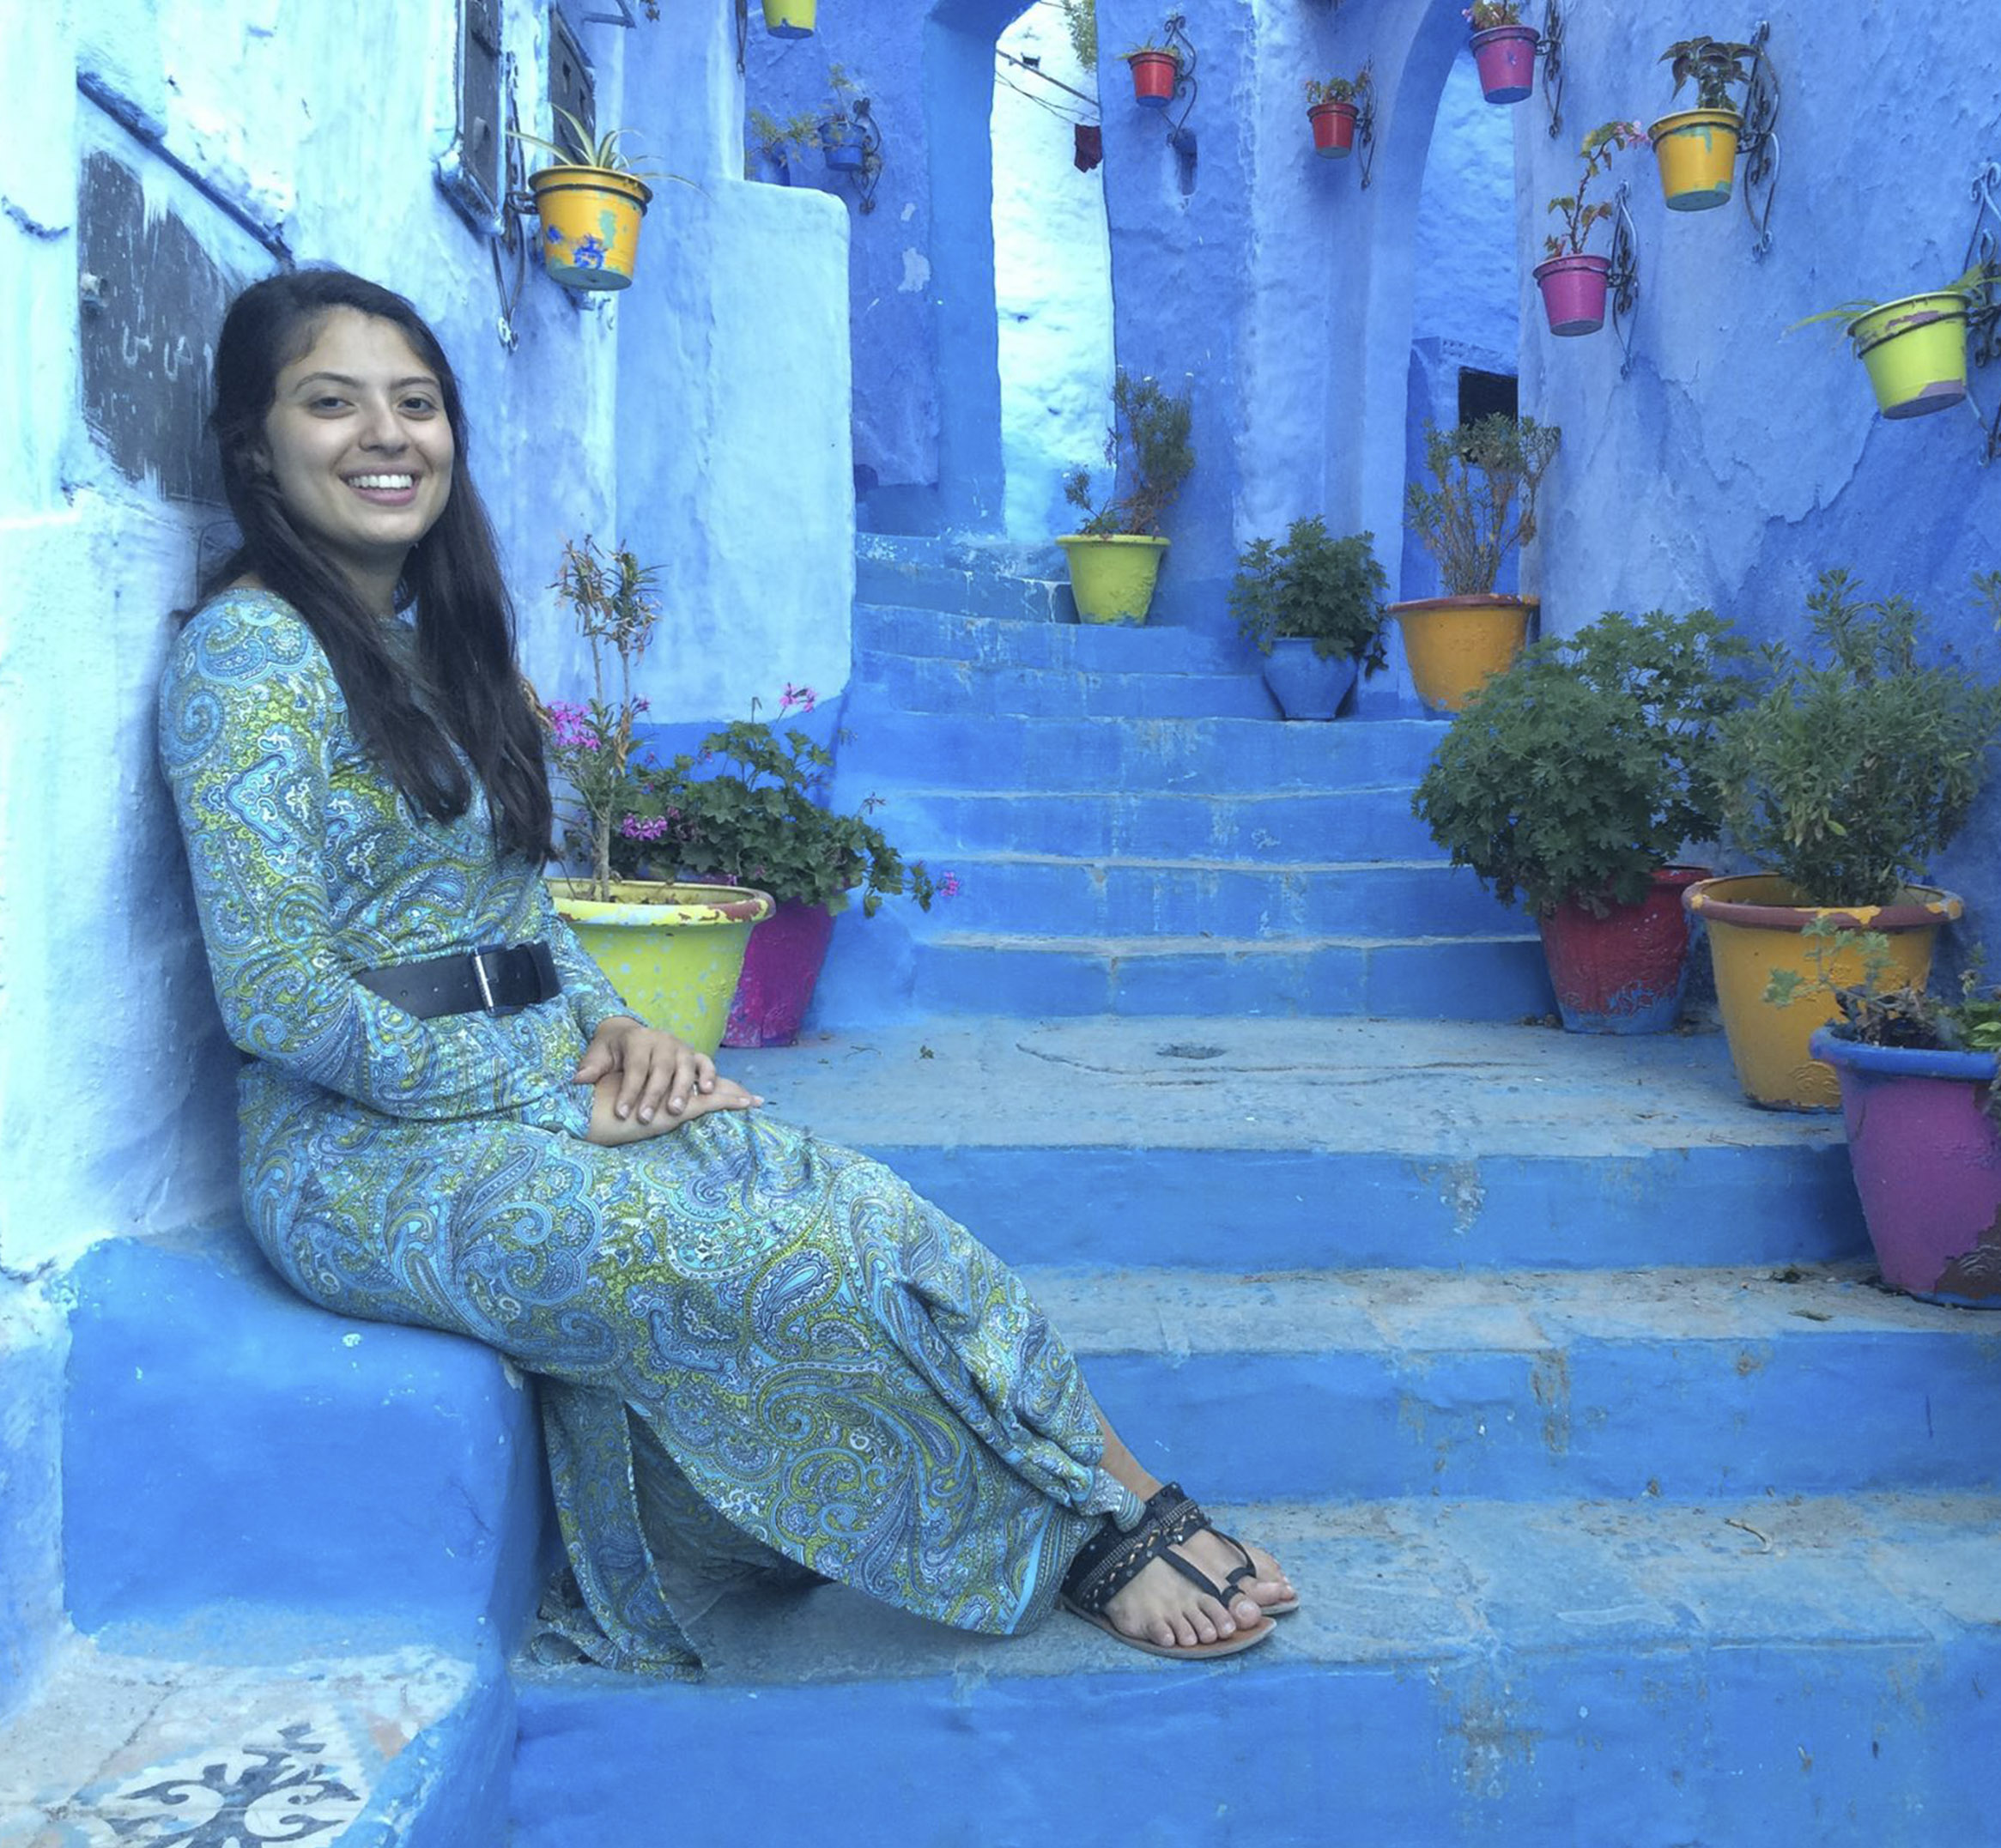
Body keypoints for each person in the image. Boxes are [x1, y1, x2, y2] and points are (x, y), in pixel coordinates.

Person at [157, 267, 1294, 1673]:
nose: (388, 436)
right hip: (357, 1151)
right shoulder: (248, 656)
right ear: (254, 444)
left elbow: (526, 914)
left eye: (419, 404)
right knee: (777, 1264)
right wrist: (540, 1084)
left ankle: (1125, 1488)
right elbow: (276, 997)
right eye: (332, 403)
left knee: (868, 1212)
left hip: (527, 1085)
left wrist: (623, 1027)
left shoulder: (437, 645)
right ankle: (1066, 1544)